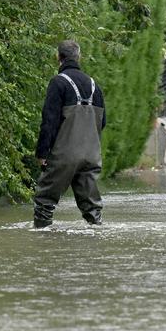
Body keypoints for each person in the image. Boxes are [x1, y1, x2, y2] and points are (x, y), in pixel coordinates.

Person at [33, 40, 106, 229]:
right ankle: (96, 231)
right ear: (78, 57)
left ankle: (42, 239)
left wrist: (42, 153)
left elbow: (49, 122)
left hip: (64, 155)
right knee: (92, 209)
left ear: (59, 57)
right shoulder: (94, 86)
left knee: (44, 200)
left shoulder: (58, 83)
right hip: (91, 155)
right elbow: (102, 122)